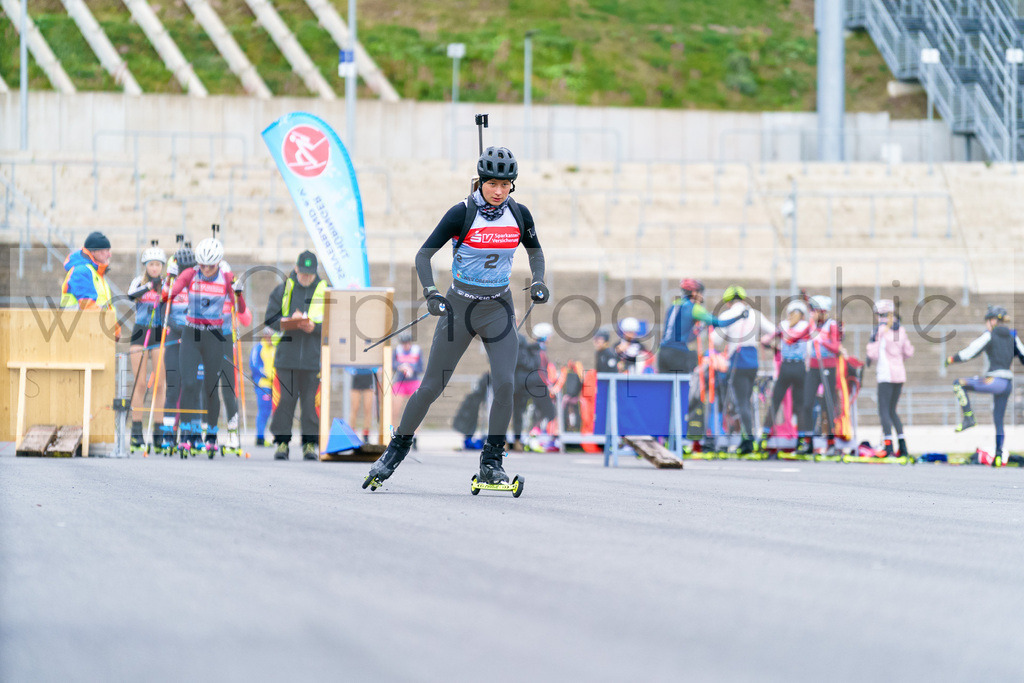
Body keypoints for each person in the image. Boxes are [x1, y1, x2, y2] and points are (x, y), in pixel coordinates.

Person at [364, 145, 547, 489]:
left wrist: (538, 281)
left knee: (506, 383)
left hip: (498, 308)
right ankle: (394, 451)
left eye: (505, 184)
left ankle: (492, 462)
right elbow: (423, 256)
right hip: (459, 307)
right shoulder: (461, 213)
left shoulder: (519, 214)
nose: (498, 191)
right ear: (481, 181)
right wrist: (431, 292)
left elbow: (535, 253)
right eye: (492, 183)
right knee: (432, 386)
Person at [166, 237, 246, 453]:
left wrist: (238, 293)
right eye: (202, 265)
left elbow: (240, 308)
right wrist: (169, 280)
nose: (206, 269)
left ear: (218, 263)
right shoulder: (190, 274)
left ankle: (211, 434)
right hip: (191, 333)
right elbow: (168, 296)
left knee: (211, 388)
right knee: (189, 384)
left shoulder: (227, 278)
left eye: (210, 266)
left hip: (214, 336)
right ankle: (187, 434)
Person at [265, 250, 327, 461]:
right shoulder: (284, 289)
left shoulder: (324, 291)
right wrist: (289, 320)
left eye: (310, 274)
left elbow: (332, 322)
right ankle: (282, 443)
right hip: (287, 358)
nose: (306, 278)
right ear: (296, 269)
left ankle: (310, 445)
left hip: (312, 359)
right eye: (303, 273)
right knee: (285, 402)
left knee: (311, 405)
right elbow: (269, 318)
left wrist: (314, 327)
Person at [945, 305, 1024, 463]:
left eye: (987, 321)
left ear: (993, 321)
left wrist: (952, 359)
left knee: (958, 383)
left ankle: (968, 418)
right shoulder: (1013, 335)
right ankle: (998, 454)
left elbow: (971, 351)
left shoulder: (990, 334)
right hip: (1007, 384)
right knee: (999, 420)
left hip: (994, 381)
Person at [713, 285, 774, 455]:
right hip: (753, 361)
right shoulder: (755, 313)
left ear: (728, 302)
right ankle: (747, 437)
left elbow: (715, 340)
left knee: (741, 403)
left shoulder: (728, 314)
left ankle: (748, 440)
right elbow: (774, 331)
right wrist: (763, 339)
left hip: (738, 361)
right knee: (746, 401)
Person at [758, 300, 813, 452]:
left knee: (775, 401)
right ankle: (801, 440)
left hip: (786, 366)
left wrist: (775, 347)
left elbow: (765, 341)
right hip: (800, 366)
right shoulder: (806, 325)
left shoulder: (783, 325)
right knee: (799, 404)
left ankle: (764, 436)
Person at [126, 246, 167, 451]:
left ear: (162, 266)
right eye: (151, 264)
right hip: (141, 333)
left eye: (157, 264)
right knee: (140, 384)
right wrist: (150, 286)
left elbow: (173, 299)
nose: (154, 267)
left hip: (159, 333)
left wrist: (163, 288)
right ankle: (136, 432)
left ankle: (159, 432)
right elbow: (131, 295)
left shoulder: (166, 284)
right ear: (146, 266)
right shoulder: (138, 281)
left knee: (160, 384)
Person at [659, 278, 744, 374]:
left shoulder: (674, 305)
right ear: (694, 293)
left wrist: (700, 328)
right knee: (683, 386)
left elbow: (686, 336)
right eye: (701, 293)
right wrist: (740, 317)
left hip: (662, 352)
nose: (702, 296)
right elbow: (720, 323)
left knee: (664, 387)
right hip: (678, 353)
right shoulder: (694, 308)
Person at [865, 299, 914, 457]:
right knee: (893, 411)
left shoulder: (881, 330)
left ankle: (888, 446)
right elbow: (908, 352)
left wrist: (872, 342)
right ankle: (903, 446)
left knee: (884, 411)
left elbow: (872, 354)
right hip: (899, 375)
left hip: (886, 375)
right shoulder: (901, 330)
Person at [159, 245, 196, 450]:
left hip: (192, 338)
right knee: (173, 387)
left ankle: (187, 433)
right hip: (174, 337)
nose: (186, 272)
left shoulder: (197, 285)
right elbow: (161, 308)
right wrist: (167, 281)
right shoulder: (172, 284)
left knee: (190, 387)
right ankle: (167, 435)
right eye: (182, 267)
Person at [215, 260, 252, 452]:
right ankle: (208, 433)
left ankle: (232, 432)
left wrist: (238, 296)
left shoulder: (232, 292)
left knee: (228, 389)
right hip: (208, 340)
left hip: (227, 343)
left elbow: (246, 319)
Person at [803, 295, 845, 454]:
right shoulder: (812, 325)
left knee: (827, 404)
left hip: (828, 366)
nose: (811, 313)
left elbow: (836, 347)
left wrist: (822, 339)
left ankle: (831, 442)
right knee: (807, 404)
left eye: (814, 310)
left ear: (822, 311)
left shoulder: (832, 325)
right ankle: (808, 442)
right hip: (813, 366)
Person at [511, 323, 557, 452]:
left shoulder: (537, 349)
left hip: (531, 385)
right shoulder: (536, 350)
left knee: (535, 413)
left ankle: (528, 437)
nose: (550, 339)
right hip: (532, 385)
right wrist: (549, 385)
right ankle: (531, 437)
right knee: (546, 412)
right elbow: (539, 371)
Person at [61, 231, 114, 310]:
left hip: (92, 321)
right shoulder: (81, 271)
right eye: (105, 250)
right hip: (80, 321)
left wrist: (112, 322)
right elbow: (88, 306)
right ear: (93, 252)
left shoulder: (95, 273)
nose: (109, 255)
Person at [249, 327, 277, 447]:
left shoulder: (276, 348)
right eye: (267, 335)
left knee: (275, 411)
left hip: (275, 385)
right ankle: (260, 437)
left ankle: (278, 437)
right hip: (263, 384)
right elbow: (254, 365)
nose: (269, 338)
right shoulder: (258, 348)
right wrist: (267, 375)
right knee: (264, 411)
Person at [392, 334, 424, 425]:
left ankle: (414, 434)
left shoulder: (416, 350)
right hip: (400, 382)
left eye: (407, 343)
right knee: (395, 409)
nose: (406, 345)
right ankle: (394, 430)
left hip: (413, 381)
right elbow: (392, 364)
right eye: (404, 343)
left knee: (415, 410)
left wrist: (411, 369)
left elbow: (421, 368)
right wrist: (400, 367)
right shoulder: (397, 350)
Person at [349, 367, 378, 442]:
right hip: (357, 377)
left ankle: (366, 434)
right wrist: (351, 370)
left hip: (368, 377)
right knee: (354, 408)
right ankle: (352, 433)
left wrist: (375, 369)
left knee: (368, 408)